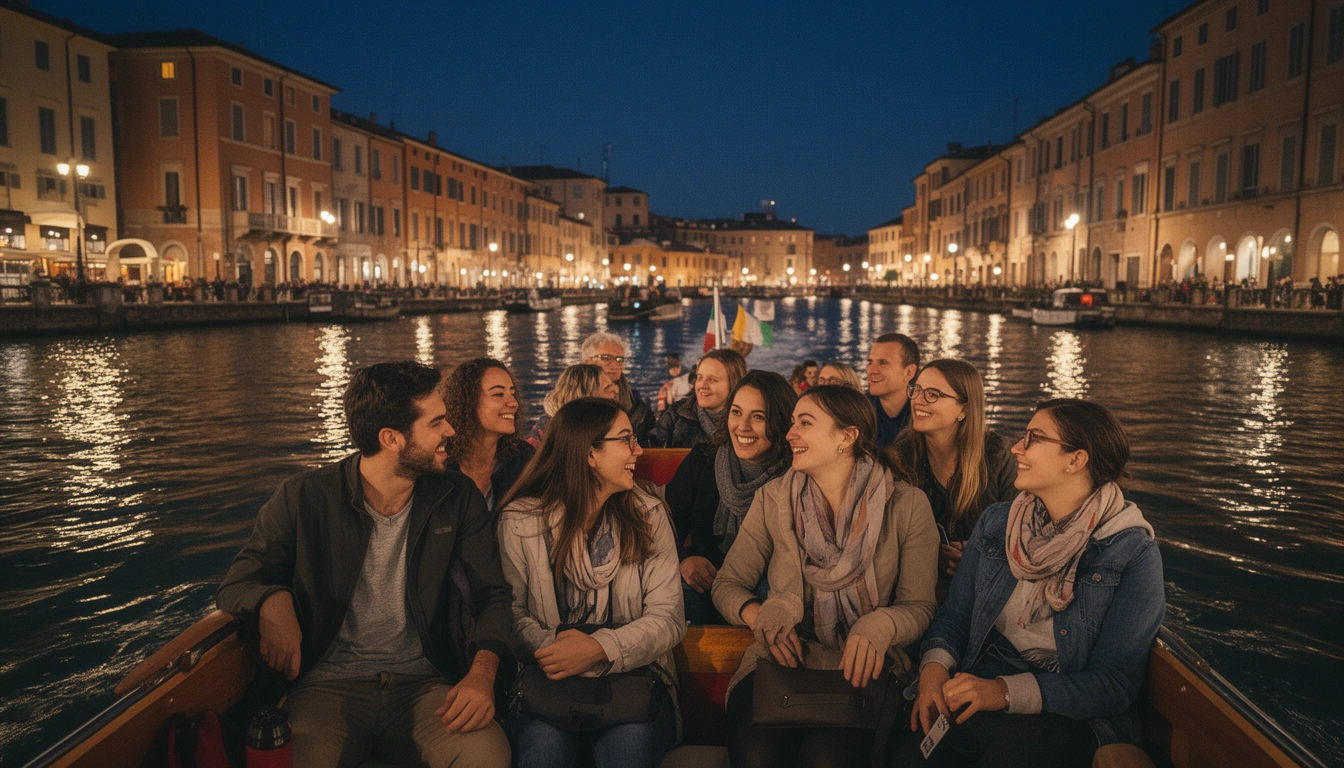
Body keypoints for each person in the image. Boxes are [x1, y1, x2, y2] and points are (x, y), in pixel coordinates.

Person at [217, 361, 513, 768]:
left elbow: (493, 595)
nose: (451, 432)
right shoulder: (304, 498)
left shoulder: (455, 496)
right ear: (391, 438)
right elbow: (238, 583)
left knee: (489, 757)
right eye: (437, 423)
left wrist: (481, 676)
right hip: (324, 687)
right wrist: (270, 599)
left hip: (426, 683)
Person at [895, 399, 1164, 768]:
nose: (1015, 447)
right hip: (980, 678)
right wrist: (933, 671)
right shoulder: (998, 523)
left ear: (1076, 460)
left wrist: (1004, 692)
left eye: (1034, 438)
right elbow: (956, 617)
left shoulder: (1131, 553)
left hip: (1064, 709)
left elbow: (1113, 684)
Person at [712, 385, 939, 768]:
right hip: (784, 662)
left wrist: (881, 624)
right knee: (757, 759)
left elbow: (920, 606)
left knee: (827, 759)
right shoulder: (773, 498)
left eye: (805, 423)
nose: (789, 434)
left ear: (847, 437)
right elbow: (727, 584)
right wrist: (761, 615)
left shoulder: (906, 504)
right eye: (792, 423)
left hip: (864, 669)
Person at [497, 398, 685, 768]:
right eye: (626, 440)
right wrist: (559, 651)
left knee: (628, 754)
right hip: (548, 682)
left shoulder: (649, 516)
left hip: (632, 682)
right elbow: (510, 614)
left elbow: (668, 618)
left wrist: (599, 648)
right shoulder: (520, 521)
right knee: (543, 756)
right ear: (589, 454)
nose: (639, 450)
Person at [664, 370, 797, 623]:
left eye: (758, 417)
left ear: (780, 422)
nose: (742, 427)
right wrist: (684, 560)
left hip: (770, 595)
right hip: (704, 590)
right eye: (736, 413)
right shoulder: (703, 461)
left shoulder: (794, 475)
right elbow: (666, 526)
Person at [887, 359, 1017, 599]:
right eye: (917, 390)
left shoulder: (998, 456)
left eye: (934, 394)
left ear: (964, 409)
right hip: (925, 586)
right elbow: (894, 534)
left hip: (989, 588)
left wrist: (979, 554)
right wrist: (931, 553)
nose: (918, 400)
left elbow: (1019, 532)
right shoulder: (904, 455)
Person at [443, 358, 536, 512]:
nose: (513, 403)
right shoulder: (440, 462)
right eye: (498, 394)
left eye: (512, 393)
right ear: (468, 402)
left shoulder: (523, 459)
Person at [651, 348, 747, 448]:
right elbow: (653, 450)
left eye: (712, 380)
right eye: (700, 377)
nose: (702, 385)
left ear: (734, 383)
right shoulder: (677, 413)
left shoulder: (747, 422)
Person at [582, 332, 656, 443]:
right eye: (606, 358)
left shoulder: (638, 406)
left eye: (619, 359)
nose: (614, 365)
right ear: (587, 362)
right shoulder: (569, 400)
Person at [527, 363, 619, 448]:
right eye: (607, 387)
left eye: (613, 384)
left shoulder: (603, 423)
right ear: (587, 396)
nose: (616, 390)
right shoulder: (551, 431)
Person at [866, 332, 921, 446]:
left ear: (908, 372)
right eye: (870, 362)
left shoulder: (923, 414)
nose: (871, 370)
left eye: (883, 362)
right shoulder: (858, 412)